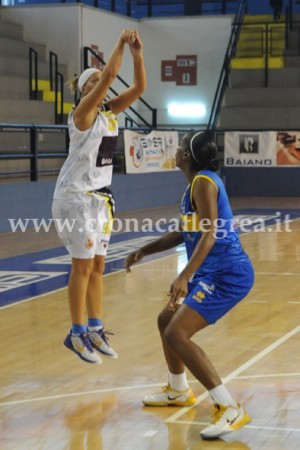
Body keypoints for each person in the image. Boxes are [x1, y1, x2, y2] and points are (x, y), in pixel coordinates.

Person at [125, 130, 254, 440]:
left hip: (228, 274)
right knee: (165, 320)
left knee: (176, 332)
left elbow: (209, 235)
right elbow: (183, 234)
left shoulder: (204, 183)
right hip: (214, 273)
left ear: (187, 156)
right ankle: (178, 390)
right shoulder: (193, 188)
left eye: (181, 145)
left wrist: (184, 275)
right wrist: (145, 250)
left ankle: (229, 407)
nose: (177, 148)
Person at [52, 29, 146, 364]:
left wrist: (138, 55)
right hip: (75, 197)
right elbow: (109, 76)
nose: (98, 85)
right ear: (83, 92)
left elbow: (138, 89)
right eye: (91, 83)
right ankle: (76, 333)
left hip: (99, 198)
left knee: (98, 266)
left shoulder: (108, 114)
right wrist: (119, 43)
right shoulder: (82, 115)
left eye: (98, 83)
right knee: (81, 266)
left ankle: (94, 327)